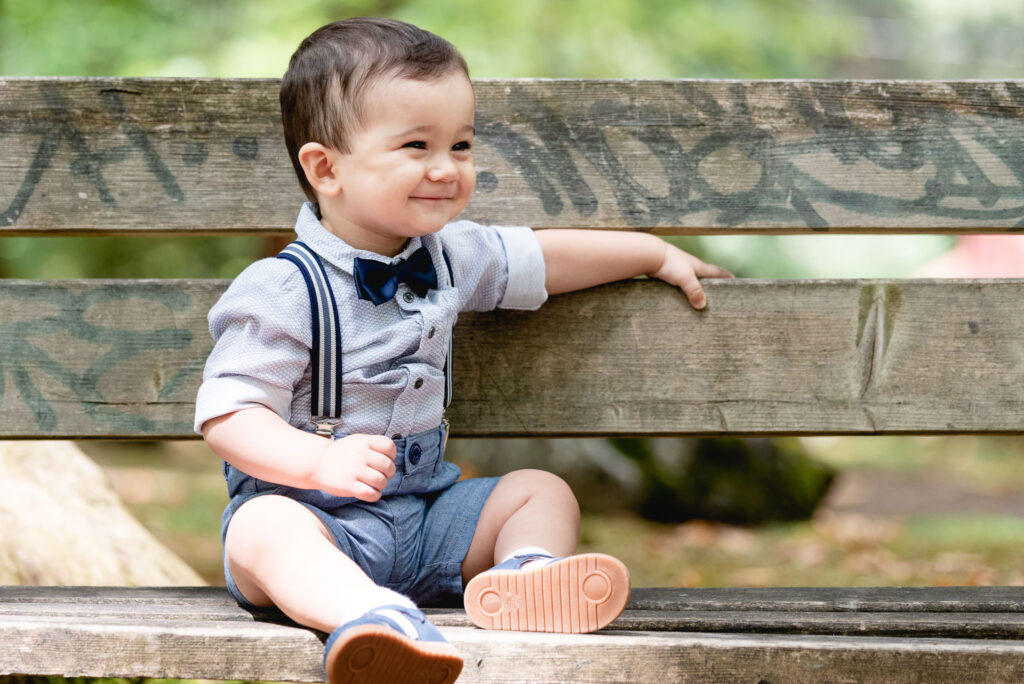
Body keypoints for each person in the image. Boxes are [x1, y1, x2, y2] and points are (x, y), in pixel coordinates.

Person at [195, 16, 732, 684]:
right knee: (261, 527)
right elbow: (229, 414)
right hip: (318, 523)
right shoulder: (281, 288)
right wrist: (317, 462)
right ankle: (370, 618)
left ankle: (526, 578)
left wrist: (649, 252)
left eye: (461, 144)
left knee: (539, 491)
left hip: (424, 523)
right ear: (326, 168)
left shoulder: (452, 255)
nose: (446, 168)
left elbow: (546, 256)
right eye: (417, 145)